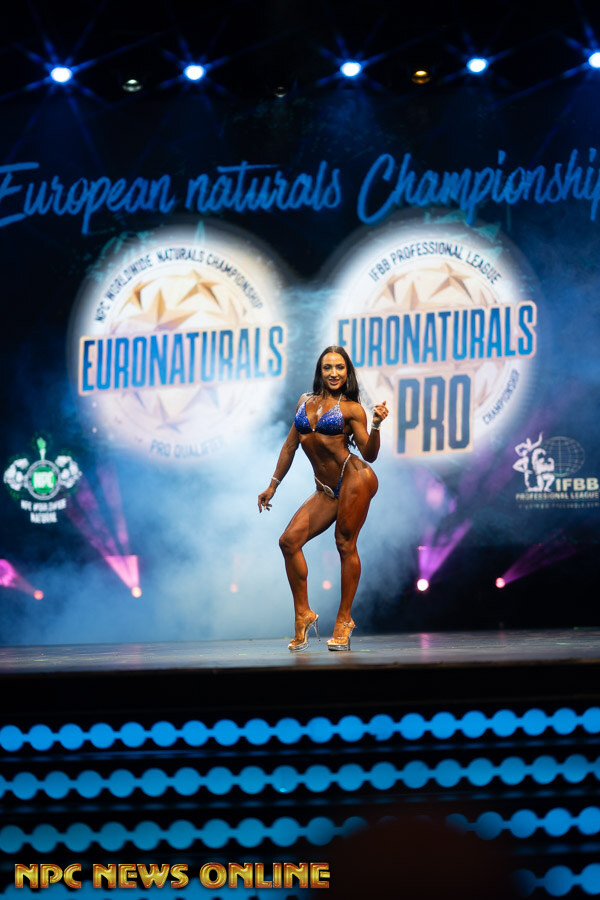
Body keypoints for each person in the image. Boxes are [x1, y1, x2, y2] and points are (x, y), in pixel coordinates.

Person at [257, 346, 389, 651]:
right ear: (320, 371)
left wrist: (376, 425)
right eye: (328, 367)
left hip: (356, 478)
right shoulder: (305, 402)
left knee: (344, 544)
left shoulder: (352, 409)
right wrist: (272, 485)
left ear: (347, 372)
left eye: (340, 368)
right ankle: (303, 614)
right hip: (326, 489)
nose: (334, 373)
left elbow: (370, 454)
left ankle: (344, 620)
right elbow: (290, 447)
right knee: (289, 542)